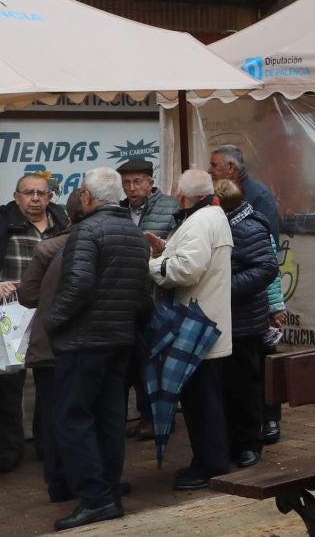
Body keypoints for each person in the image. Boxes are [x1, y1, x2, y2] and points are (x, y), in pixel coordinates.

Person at [49, 167, 154, 530]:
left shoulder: (86, 230)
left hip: (84, 339)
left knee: (72, 417)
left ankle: (95, 498)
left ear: (88, 197)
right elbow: (143, 295)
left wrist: (52, 320)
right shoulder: (135, 234)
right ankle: (107, 489)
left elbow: (78, 284)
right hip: (120, 338)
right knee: (110, 416)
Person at [146, 169, 235, 489]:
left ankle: (209, 464)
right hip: (206, 324)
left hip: (199, 328)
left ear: (185, 196)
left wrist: (153, 263)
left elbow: (186, 270)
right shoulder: (212, 216)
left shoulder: (201, 220)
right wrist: (166, 249)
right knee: (205, 401)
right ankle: (211, 460)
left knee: (202, 404)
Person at [0, 171, 69, 473]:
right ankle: (8, 450)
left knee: (50, 381)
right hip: (11, 312)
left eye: (40, 193)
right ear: (16, 196)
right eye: (28, 193)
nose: (34, 199)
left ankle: (49, 445)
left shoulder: (63, 224)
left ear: (49, 196)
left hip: (51, 312)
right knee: (8, 382)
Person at [207, 145, 286, 444]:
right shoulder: (221, 197)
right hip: (235, 306)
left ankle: (270, 421)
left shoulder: (259, 196)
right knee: (243, 371)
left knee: (260, 365)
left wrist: (274, 304)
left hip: (254, 301)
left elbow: (268, 252)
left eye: (214, 164)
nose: (210, 169)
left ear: (230, 167)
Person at [215, 176, 279, 471]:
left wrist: (222, 285)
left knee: (246, 386)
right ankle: (230, 442)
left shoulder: (248, 227)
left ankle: (250, 445)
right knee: (227, 386)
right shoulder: (221, 224)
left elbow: (267, 268)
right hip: (224, 321)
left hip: (244, 322)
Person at [17, 201, 80, 505]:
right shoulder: (119, 239)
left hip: (50, 345)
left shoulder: (48, 249)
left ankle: (58, 483)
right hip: (91, 345)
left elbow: (28, 296)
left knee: (54, 415)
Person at [117, 158, 180, 438]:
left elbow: (180, 247)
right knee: (135, 361)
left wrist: (161, 250)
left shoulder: (169, 207)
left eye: (137, 181)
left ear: (150, 183)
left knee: (155, 361)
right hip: (129, 298)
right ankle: (145, 415)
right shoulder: (120, 212)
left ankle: (157, 419)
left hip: (159, 295)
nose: (131, 188)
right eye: (126, 183)